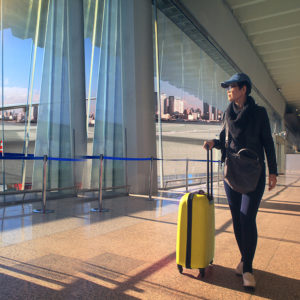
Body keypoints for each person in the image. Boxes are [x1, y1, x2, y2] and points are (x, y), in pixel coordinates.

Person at [203, 73, 277, 289]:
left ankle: (248, 270)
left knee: (247, 218)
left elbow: (268, 143)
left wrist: (273, 171)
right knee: (237, 219)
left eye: (232, 86)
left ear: (244, 89)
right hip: (232, 172)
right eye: (227, 87)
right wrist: (213, 143)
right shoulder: (227, 113)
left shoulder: (259, 113)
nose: (228, 90)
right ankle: (245, 259)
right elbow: (225, 140)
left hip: (254, 174)